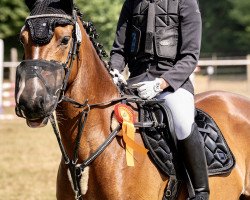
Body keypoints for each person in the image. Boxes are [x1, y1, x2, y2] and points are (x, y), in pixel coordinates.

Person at [109, 0, 209, 199]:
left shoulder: (186, 3)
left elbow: (190, 56)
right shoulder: (132, 2)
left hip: (173, 84)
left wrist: (161, 84)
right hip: (135, 83)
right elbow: (119, 49)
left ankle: (200, 191)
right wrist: (115, 70)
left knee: (181, 121)